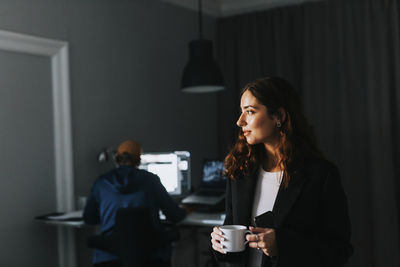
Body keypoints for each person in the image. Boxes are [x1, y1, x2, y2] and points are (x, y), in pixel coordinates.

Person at [210, 77, 353, 267]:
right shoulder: (240, 172)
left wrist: (282, 245)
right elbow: (233, 244)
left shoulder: (320, 175)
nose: (239, 121)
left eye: (250, 112)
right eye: (241, 112)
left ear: (279, 117)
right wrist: (219, 244)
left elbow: (339, 250)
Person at [83, 139, 186, 267]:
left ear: (117, 159)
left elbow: (89, 219)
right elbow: (175, 216)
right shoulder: (151, 180)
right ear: (139, 159)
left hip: (109, 258)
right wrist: (187, 208)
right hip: (150, 257)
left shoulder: (101, 182)